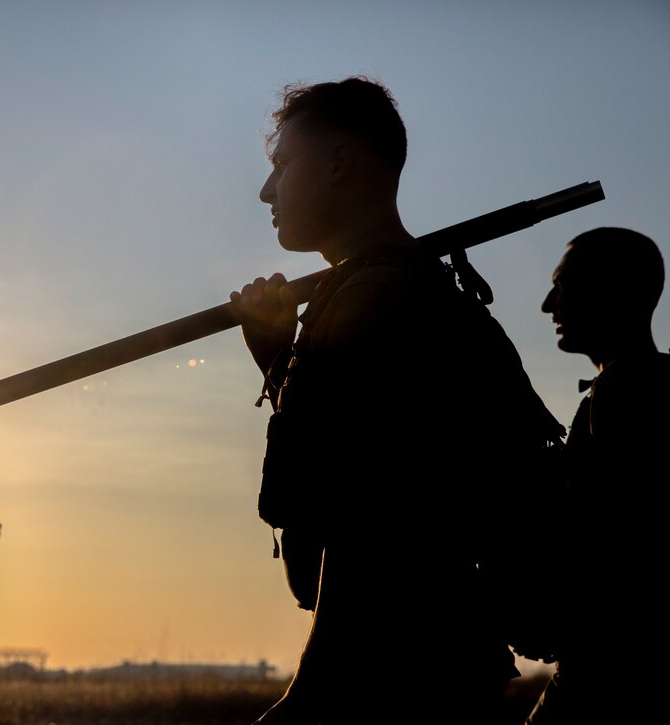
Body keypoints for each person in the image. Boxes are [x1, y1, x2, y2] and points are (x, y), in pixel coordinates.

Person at [231, 77, 560, 724]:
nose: (268, 191)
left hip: (394, 677)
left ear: (339, 162)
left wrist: (309, 692)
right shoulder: (409, 289)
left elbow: (355, 522)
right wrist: (280, 361)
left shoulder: (372, 300)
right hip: (444, 663)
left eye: (281, 165)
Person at [527, 228, 670, 723]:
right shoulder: (653, 387)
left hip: (613, 680)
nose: (548, 303)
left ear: (613, 290)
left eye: (565, 285)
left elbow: (618, 551)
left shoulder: (624, 394)